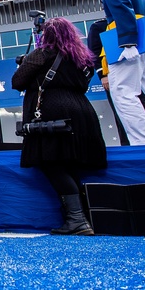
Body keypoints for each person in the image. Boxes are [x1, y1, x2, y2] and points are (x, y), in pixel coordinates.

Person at [12, 17, 106, 235]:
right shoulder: (83, 57)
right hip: (82, 112)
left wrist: (26, 62)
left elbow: (17, 82)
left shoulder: (42, 53)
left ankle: (77, 220)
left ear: (48, 35)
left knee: (51, 162)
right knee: (69, 164)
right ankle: (81, 219)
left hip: (51, 114)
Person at [89, 0, 145, 145]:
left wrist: (127, 42)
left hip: (125, 45)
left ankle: (144, 143)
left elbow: (123, 11)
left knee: (123, 93)